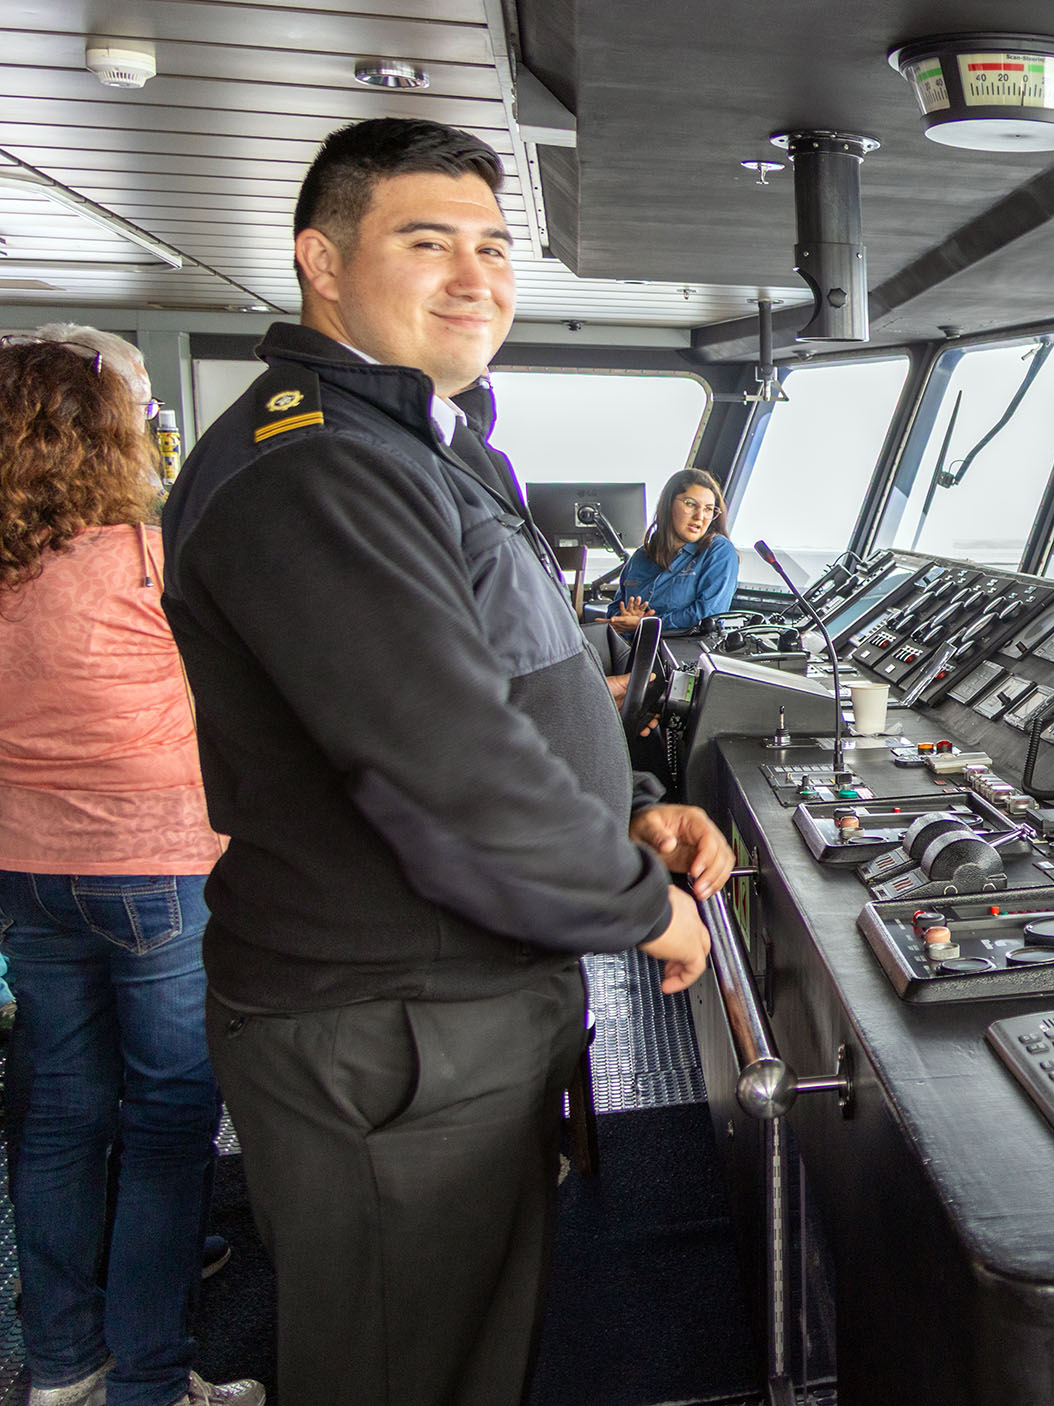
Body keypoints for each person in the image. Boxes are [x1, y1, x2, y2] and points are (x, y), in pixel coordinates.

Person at [158, 117, 722, 1406]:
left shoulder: (428, 446)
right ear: (321, 259)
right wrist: (645, 912)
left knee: (469, 1343)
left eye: (493, 244)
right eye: (428, 241)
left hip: (446, 1002)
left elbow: (524, 684)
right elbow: (444, 765)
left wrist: (630, 813)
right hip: (385, 1017)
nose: (477, 276)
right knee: (401, 1366)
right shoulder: (315, 468)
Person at [0, 327, 263, 1406]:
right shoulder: (154, 555)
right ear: (114, 434)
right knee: (164, 1124)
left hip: (25, 866)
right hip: (157, 868)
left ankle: (62, 1365)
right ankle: (149, 1378)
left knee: (58, 1111)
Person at [607, 467, 738, 634]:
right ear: (668, 505)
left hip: (683, 653)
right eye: (690, 504)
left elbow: (708, 614)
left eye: (708, 509)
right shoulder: (642, 555)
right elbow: (615, 609)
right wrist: (625, 618)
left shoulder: (719, 551)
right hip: (629, 649)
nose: (700, 516)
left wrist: (645, 624)